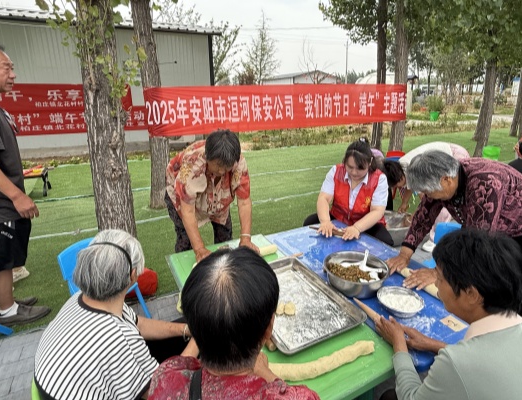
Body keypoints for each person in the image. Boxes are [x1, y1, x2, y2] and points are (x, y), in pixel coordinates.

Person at [376, 229, 522, 400]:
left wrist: (399, 345)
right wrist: (434, 345)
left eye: (440, 278)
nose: (436, 284)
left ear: (472, 294)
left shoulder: (457, 363)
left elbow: (410, 397)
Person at [386, 151, 522, 316]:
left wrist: (437, 273)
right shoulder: (442, 180)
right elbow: (423, 216)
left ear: (446, 180)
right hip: (502, 231)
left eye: (428, 192)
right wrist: (404, 254)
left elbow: (476, 242)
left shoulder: (486, 183)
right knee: (494, 286)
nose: (428, 196)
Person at [34, 230, 191, 400]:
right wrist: (201, 340)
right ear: (133, 276)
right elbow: (163, 394)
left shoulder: (81, 298)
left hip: (55, 385)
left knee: (181, 334)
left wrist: (185, 329)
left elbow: (137, 323)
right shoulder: (117, 338)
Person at [148, 247, 320, 400]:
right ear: (269, 329)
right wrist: (265, 373)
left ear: (193, 329)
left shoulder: (164, 381)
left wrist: (202, 327)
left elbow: (181, 364)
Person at [0, 42, 50, 326]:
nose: (13, 74)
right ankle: (8, 311)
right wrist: (17, 195)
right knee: (1, 255)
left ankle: (0, 304)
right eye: (6, 68)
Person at [165, 129, 259, 262]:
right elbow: (188, 211)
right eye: (219, 165)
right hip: (183, 194)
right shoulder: (193, 164)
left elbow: (244, 201)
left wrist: (246, 238)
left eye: (227, 167)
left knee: (225, 236)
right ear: (208, 157)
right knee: (186, 241)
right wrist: (200, 250)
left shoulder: (238, 162)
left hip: (220, 194)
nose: (222, 171)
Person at [381, 142, 469, 252]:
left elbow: (425, 203)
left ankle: (435, 239)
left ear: (400, 178)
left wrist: (414, 216)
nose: (398, 188)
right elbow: (409, 185)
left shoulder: (415, 173)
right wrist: (404, 203)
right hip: (446, 155)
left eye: (396, 186)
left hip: (454, 155)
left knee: (442, 201)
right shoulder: (400, 168)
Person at [303, 138, 393, 246]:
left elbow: (377, 211)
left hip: (367, 222)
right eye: (350, 167)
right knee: (310, 222)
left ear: (370, 163)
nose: (354, 172)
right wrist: (325, 221)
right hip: (338, 217)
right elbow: (324, 198)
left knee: (385, 241)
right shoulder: (335, 171)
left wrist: (357, 228)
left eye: (360, 168)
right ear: (345, 161)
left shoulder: (379, 179)